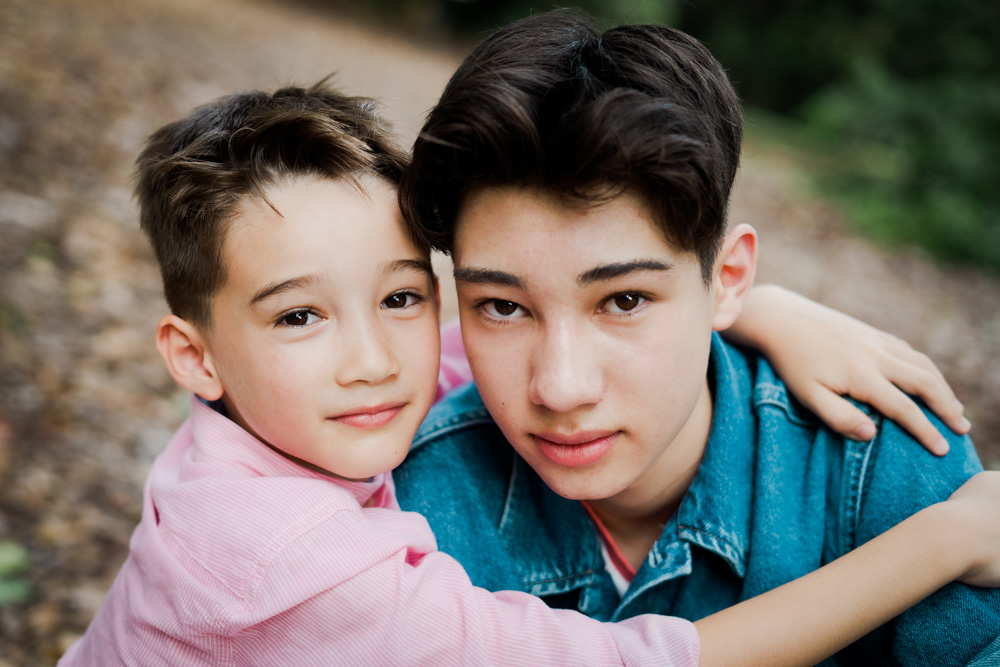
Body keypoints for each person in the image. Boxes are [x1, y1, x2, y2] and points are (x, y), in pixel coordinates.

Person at [57, 80, 1000, 667]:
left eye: (401, 299)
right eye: (299, 315)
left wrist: (758, 308)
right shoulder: (294, 562)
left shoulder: (359, 380)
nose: (558, 385)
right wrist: (941, 540)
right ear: (195, 355)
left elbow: (496, 315)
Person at [394, 9, 1000, 665]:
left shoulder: (887, 465)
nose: (561, 386)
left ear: (728, 278)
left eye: (624, 300)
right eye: (504, 307)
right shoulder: (413, 507)